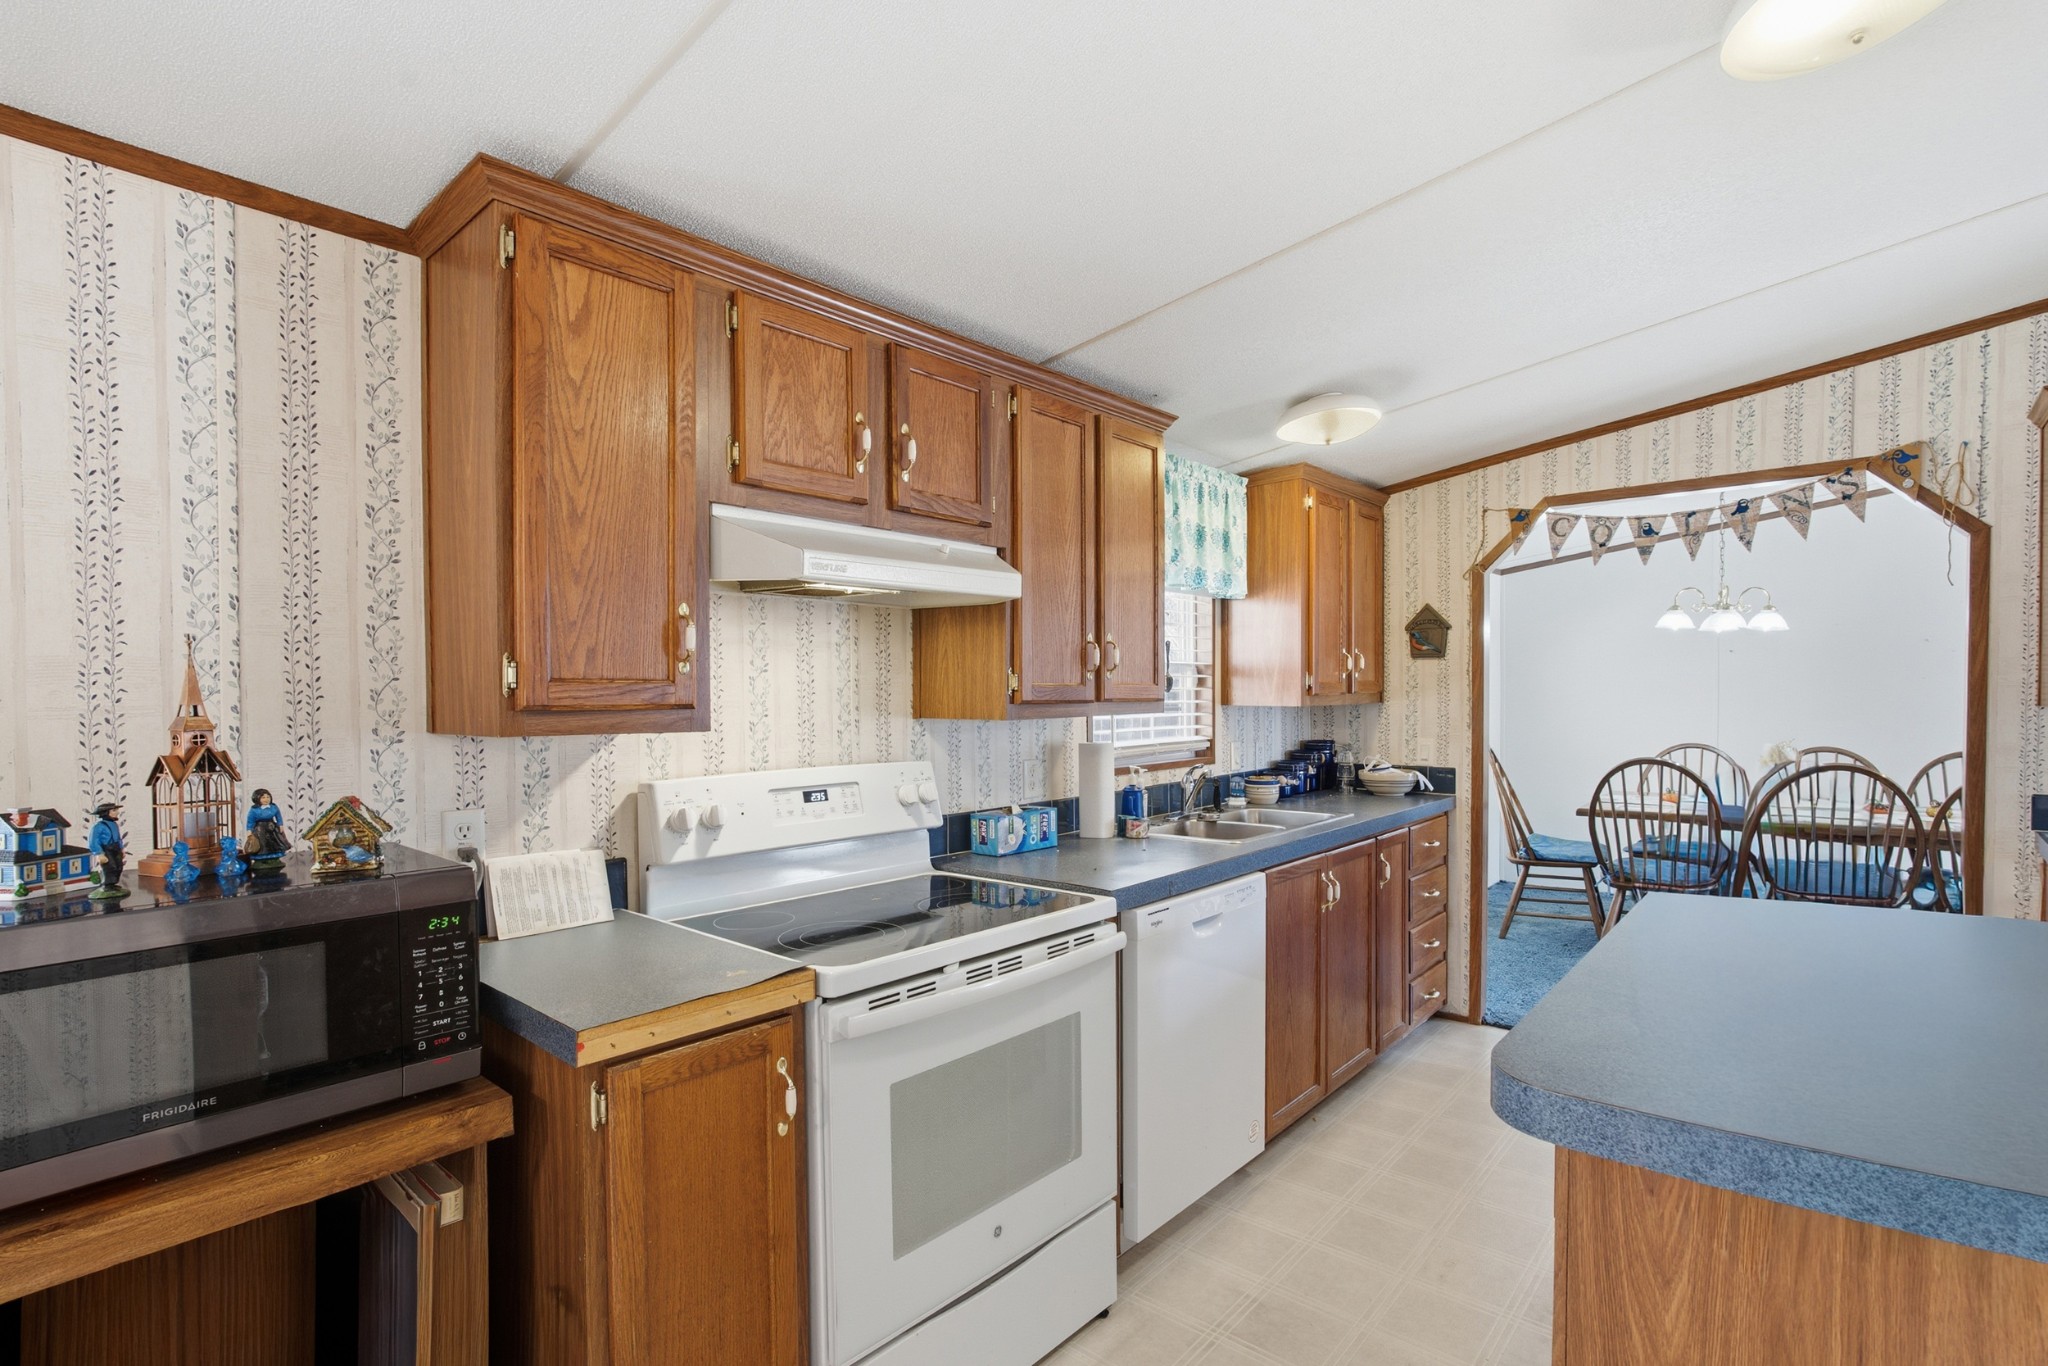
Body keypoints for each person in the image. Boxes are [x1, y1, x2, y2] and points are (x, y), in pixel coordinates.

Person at [87, 801, 128, 899]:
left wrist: (122, 849)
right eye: (114, 810)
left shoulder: (114, 824)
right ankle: (107, 885)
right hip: (107, 849)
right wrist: (99, 853)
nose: (117, 812)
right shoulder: (98, 826)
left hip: (116, 848)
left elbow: (118, 838)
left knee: (119, 866)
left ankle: (113, 884)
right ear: (106, 813)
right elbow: (93, 840)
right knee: (110, 867)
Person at [245, 789, 291, 870]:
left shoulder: (273, 807)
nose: (266, 799)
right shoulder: (254, 810)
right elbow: (250, 821)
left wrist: (280, 825)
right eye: (263, 797)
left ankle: (274, 858)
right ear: (257, 798)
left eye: (268, 797)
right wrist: (249, 830)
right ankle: (261, 859)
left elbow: (278, 816)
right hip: (260, 829)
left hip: (272, 827)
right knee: (262, 843)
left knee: (275, 842)